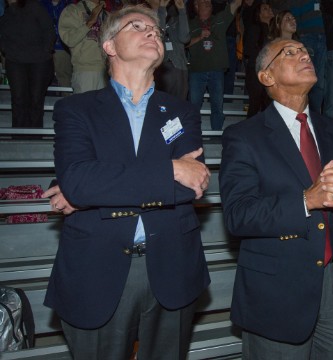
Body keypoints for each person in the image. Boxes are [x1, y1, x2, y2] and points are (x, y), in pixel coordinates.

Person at [42, 5, 211, 359]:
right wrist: (168, 171)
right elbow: (79, 181)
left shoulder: (182, 112)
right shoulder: (76, 110)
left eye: (157, 30)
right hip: (96, 270)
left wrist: (93, 195)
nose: (153, 32)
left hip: (172, 266)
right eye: (138, 26)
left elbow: (190, 185)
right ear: (109, 46)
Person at [219, 38, 333, 359]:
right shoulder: (244, 136)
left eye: (304, 50)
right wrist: (306, 200)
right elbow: (239, 215)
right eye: (289, 52)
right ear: (267, 77)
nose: (304, 54)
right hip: (277, 294)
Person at [0, 0, 56, 129]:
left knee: (36, 99)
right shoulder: (8, 12)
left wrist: (45, 51)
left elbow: (48, 30)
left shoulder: (35, 7)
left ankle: (34, 134)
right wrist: (6, 50)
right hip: (15, 61)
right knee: (18, 98)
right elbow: (3, 34)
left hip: (39, 61)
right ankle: (18, 134)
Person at [187, 0, 241, 130]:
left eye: (209, 1)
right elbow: (183, 44)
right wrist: (200, 37)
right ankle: (191, 135)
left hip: (217, 70)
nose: (208, 2)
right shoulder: (189, 23)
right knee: (193, 107)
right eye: (203, 1)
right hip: (196, 71)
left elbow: (236, 4)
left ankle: (217, 134)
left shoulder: (219, 19)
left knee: (217, 106)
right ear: (196, 5)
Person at [58, 0, 108, 93]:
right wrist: (89, 23)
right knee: (86, 106)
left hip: (106, 73)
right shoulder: (74, 10)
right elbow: (69, 40)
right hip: (85, 72)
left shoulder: (107, 15)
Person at [150, 0, 190, 100]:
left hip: (179, 66)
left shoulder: (177, 19)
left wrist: (182, 10)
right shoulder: (150, 19)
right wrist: (162, 9)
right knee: (162, 104)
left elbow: (184, 38)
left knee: (179, 104)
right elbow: (159, 36)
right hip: (161, 68)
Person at [242, 0, 273, 117]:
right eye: (265, 9)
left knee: (268, 105)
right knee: (255, 104)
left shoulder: (275, 31)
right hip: (256, 71)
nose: (269, 10)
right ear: (259, 15)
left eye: (269, 8)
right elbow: (248, 50)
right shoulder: (255, 28)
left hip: (270, 72)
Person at [40, 0, 73, 89]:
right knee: (42, 77)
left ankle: (66, 100)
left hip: (62, 47)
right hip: (43, 48)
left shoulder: (69, 6)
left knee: (64, 77)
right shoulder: (41, 5)